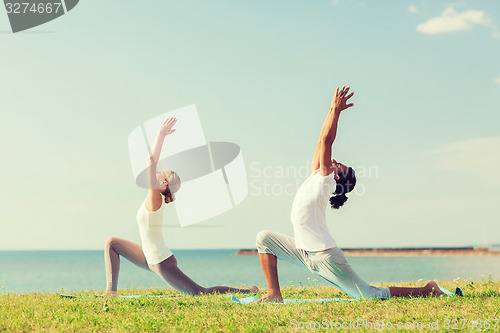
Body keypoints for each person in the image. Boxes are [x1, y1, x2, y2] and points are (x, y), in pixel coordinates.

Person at [255, 86, 445, 303]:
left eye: (339, 165)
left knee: (370, 295)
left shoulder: (325, 181)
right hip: (304, 252)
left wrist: (337, 111)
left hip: (326, 257)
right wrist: (330, 109)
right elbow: (320, 141)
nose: (334, 161)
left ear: (337, 178)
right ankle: (274, 294)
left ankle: (427, 290)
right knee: (265, 239)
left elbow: (327, 141)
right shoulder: (317, 175)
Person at [102, 117, 258, 296]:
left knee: (200, 293)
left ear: (163, 185)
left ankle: (248, 291)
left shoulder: (155, 198)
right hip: (147, 256)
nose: (158, 172)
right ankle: (110, 292)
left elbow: (151, 160)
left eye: (162, 174)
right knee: (112, 243)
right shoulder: (153, 196)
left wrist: (160, 135)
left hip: (161, 262)